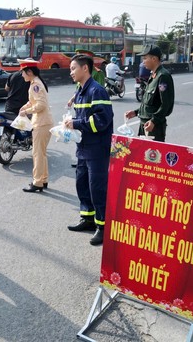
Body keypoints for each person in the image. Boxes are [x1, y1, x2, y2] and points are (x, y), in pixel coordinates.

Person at [64, 53, 114, 246]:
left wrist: (76, 123)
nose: (71, 73)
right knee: (82, 183)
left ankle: (102, 226)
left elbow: (101, 121)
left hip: (97, 149)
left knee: (97, 188)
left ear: (85, 68)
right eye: (70, 69)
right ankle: (88, 218)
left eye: (73, 68)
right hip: (83, 147)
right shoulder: (80, 90)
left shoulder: (97, 91)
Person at [17, 59, 54, 193]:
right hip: (44, 122)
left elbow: (41, 105)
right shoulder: (36, 83)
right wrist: (26, 106)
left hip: (41, 123)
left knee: (37, 154)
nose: (22, 75)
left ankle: (37, 182)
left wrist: (26, 111)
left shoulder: (35, 85)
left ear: (29, 72)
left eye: (23, 72)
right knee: (41, 153)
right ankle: (43, 180)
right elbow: (34, 101)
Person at [125, 45, 175, 142]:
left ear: (154, 59)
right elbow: (149, 103)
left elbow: (166, 104)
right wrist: (135, 112)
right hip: (145, 125)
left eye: (145, 58)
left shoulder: (163, 76)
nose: (143, 62)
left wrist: (153, 121)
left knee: (152, 156)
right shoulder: (153, 75)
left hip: (153, 128)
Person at [0, 69, 30, 154]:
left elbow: (6, 88)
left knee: (11, 122)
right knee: (32, 122)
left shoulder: (13, 75)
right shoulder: (31, 78)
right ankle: (28, 139)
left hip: (10, 105)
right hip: (24, 106)